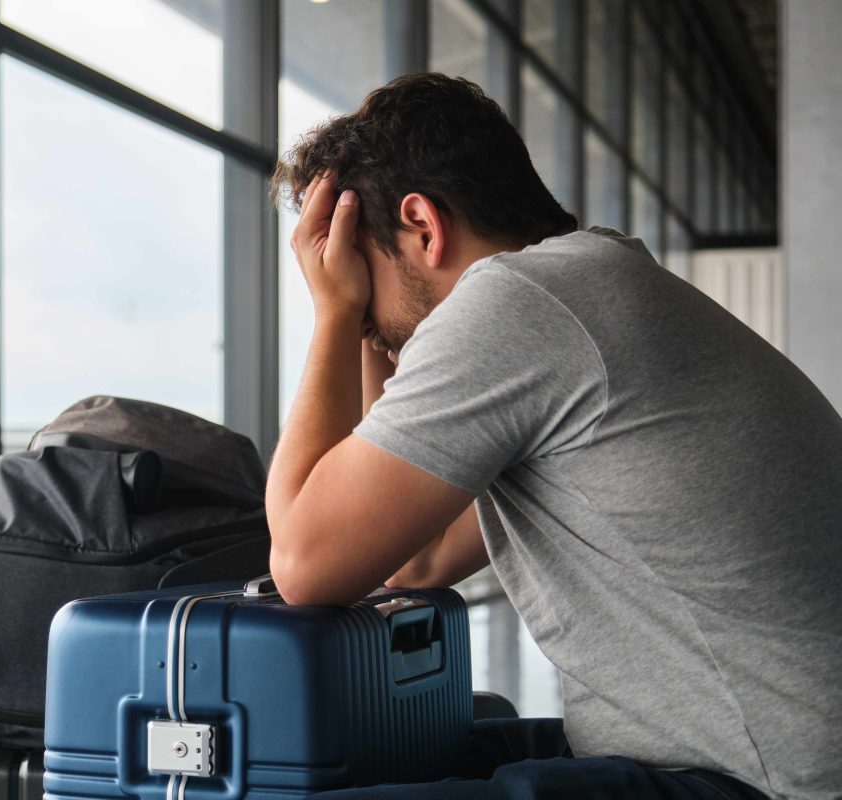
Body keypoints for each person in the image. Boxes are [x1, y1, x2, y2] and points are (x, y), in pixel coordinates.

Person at [265, 73, 842, 800]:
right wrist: (373, 324)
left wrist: (336, 315)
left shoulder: (517, 303)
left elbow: (305, 564)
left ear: (422, 224)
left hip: (768, 780)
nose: (343, 282)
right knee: (351, 756)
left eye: (354, 260)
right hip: (775, 752)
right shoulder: (592, 284)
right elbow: (415, 559)